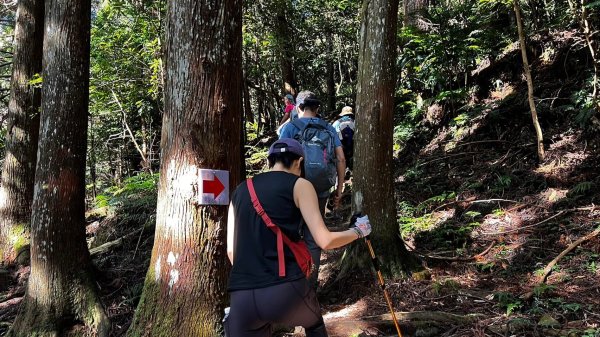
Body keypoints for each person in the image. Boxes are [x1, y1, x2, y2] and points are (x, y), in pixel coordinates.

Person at [225, 138, 371, 337]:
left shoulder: (240, 190)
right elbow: (325, 240)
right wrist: (358, 231)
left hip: (242, 296)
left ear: (270, 161)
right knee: (314, 324)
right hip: (284, 288)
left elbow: (231, 251)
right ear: (299, 162)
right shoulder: (300, 185)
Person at [278, 91, 346, 288]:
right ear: (316, 108)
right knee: (313, 236)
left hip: (293, 189)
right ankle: (309, 288)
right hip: (320, 189)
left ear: (298, 107)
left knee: (289, 234)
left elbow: (277, 161)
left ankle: (290, 286)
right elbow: (341, 159)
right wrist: (339, 191)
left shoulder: (290, 128)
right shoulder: (329, 128)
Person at [332, 106, 355, 171]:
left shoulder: (337, 122)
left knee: (341, 159)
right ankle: (350, 170)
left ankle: (342, 171)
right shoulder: (355, 122)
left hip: (340, 145)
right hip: (352, 145)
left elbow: (332, 133)